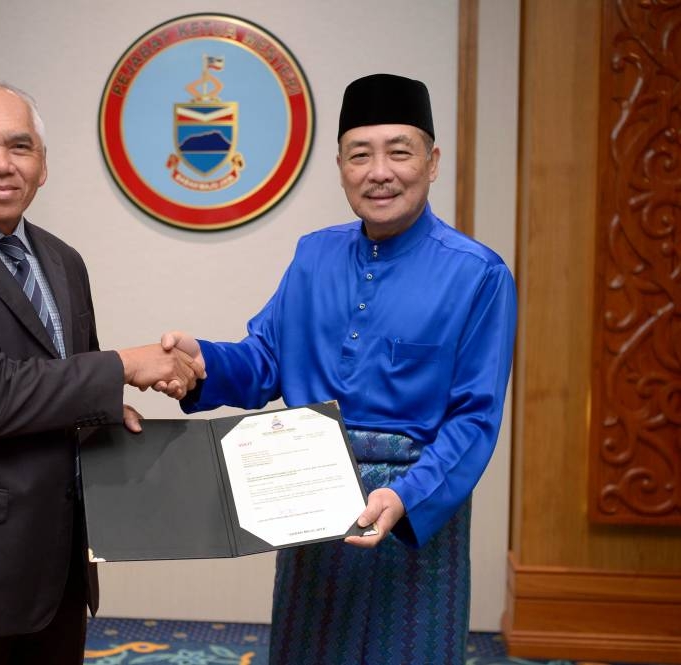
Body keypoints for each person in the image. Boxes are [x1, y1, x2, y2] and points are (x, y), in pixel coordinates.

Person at [160, 73, 517, 664]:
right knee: (309, 649)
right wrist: (205, 362)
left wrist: (407, 496)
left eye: (399, 152)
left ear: (432, 162)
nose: (380, 171)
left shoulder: (479, 275)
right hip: (311, 496)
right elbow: (265, 359)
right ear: (341, 167)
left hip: (412, 510)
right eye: (360, 154)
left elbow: (474, 420)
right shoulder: (313, 254)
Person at [0, 80, 204, 665]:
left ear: (42, 166)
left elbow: (65, 384)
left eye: (20, 147)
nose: (2, 164)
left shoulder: (62, 260)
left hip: (55, 574)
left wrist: (108, 408)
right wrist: (125, 365)